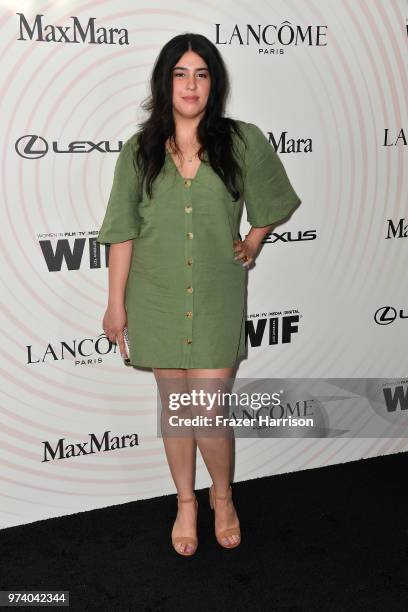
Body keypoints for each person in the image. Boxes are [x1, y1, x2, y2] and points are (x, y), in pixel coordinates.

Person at [96, 33, 302, 556]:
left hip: (214, 294)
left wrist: (253, 240)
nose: (191, 85)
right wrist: (116, 303)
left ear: (215, 83)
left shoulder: (243, 140)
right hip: (156, 294)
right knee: (176, 408)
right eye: (181, 74)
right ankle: (186, 502)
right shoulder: (137, 151)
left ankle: (223, 497)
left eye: (202, 74)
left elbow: (274, 199)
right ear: (165, 82)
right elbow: (122, 231)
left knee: (206, 408)